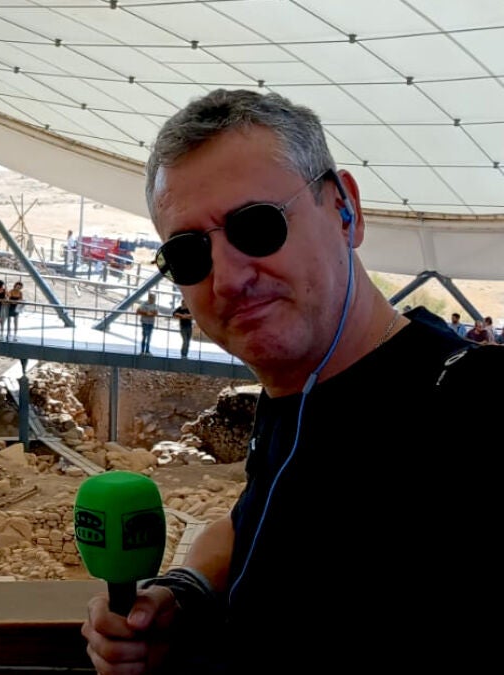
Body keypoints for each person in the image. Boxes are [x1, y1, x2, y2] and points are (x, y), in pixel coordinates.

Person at [82, 88, 503, 675]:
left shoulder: (472, 404)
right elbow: (256, 520)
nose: (227, 279)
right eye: (189, 253)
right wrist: (186, 592)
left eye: (257, 226)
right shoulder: (297, 398)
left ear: (346, 210)